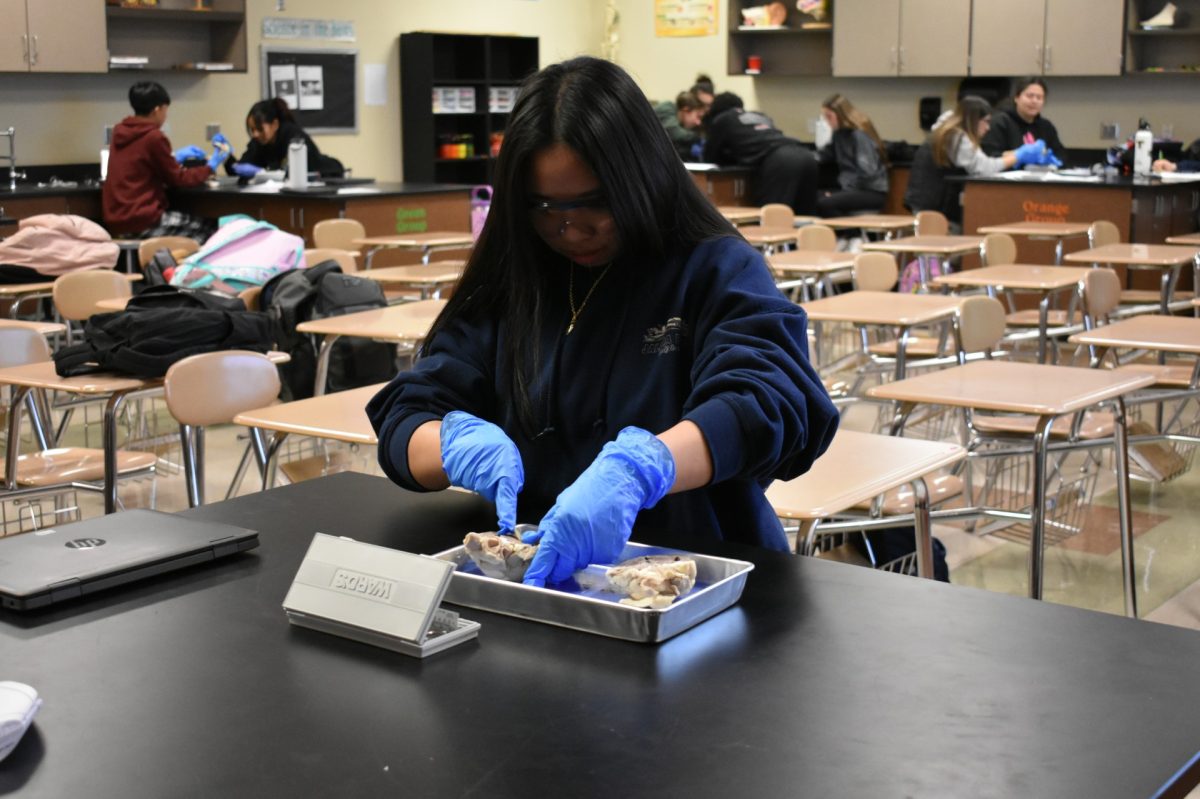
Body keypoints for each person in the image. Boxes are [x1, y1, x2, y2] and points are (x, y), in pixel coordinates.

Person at [367, 56, 838, 588]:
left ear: (642, 178)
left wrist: (645, 468)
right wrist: (450, 447)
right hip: (540, 580)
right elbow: (406, 417)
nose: (571, 230)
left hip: (695, 581)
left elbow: (773, 400)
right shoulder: (516, 279)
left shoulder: (711, 268)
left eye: (595, 204)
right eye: (545, 207)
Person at [101, 81, 229, 242]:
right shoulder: (154, 137)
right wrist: (210, 167)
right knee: (213, 229)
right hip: (143, 220)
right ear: (157, 110)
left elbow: (140, 165)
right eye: (165, 110)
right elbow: (178, 178)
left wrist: (173, 158)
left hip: (116, 220)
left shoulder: (120, 133)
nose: (165, 115)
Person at [904, 95, 1057, 227]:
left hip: (927, 201)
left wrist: (1015, 154)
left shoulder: (948, 130)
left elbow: (980, 159)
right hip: (932, 205)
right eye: (986, 121)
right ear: (974, 120)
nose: (988, 128)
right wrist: (1019, 155)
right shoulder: (956, 137)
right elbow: (983, 167)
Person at [703, 92, 820, 215]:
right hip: (805, 155)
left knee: (771, 218)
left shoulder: (721, 119)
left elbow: (711, 156)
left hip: (781, 161)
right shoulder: (759, 115)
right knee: (804, 216)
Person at [224, 98, 340, 180]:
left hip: (328, 176)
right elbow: (242, 169)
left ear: (274, 124)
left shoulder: (295, 138)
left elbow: (290, 174)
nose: (255, 134)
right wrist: (227, 157)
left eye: (259, 129)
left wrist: (261, 173)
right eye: (252, 129)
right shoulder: (259, 142)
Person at [815, 94, 889, 217]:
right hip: (851, 188)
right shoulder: (839, 134)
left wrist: (840, 192)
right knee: (811, 197)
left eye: (829, 117)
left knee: (826, 204)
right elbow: (825, 154)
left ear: (840, 115)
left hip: (870, 190)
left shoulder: (859, 135)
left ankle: (852, 235)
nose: (827, 122)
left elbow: (868, 172)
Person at [980, 77, 1067, 165]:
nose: (1034, 101)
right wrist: (1017, 156)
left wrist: (1051, 161)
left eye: (1039, 97)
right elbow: (990, 155)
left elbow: (1060, 154)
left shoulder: (1046, 126)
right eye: (1030, 96)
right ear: (1016, 98)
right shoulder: (999, 122)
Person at [653, 90, 706, 161]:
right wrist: (697, 138)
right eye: (697, 116)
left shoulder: (676, 119)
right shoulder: (667, 108)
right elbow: (673, 132)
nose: (698, 122)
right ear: (686, 110)